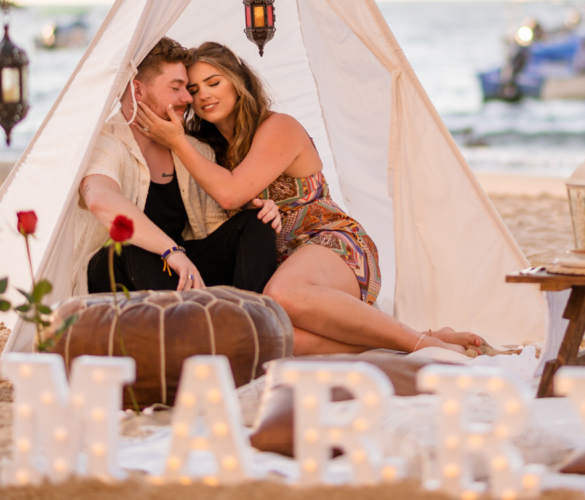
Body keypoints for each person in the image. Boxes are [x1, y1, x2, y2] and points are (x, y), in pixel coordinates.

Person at [134, 42, 484, 357]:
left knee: (282, 295)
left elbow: (231, 191)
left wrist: (177, 141)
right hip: (279, 264)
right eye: (193, 90)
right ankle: (402, 337)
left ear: (238, 83)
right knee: (273, 339)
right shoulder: (209, 152)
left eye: (214, 82)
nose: (204, 95)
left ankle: (427, 347)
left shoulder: (278, 127)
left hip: (332, 244)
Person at [77, 37, 281, 297]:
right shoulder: (105, 141)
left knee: (255, 223)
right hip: (119, 275)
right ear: (137, 91)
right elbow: (101, 200)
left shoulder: (195, 149)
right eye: (177, 88)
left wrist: (254, 212)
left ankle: (247, 321)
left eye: (188, 89)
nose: (188, 98)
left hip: (178, 275)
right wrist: (170, 250)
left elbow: (212, 230)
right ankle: (199, 327)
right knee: (128, 247)